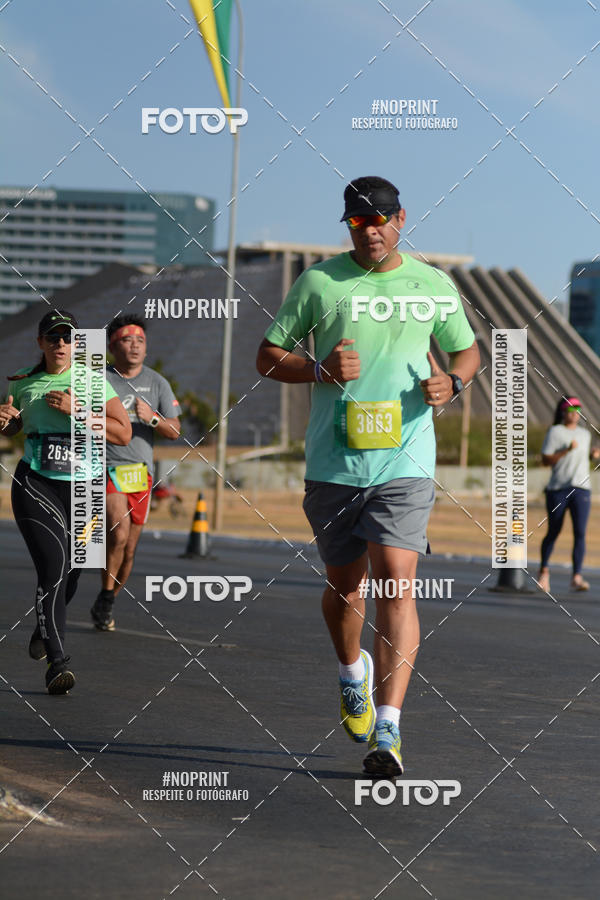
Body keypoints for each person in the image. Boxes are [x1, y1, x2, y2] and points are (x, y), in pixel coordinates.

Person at [256, 176, 480, 776]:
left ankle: (389, 730)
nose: (371, 229)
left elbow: (468, 352)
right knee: (346, 591)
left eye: (380, 218)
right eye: (358, 221)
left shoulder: (432, 284)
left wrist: (452, 382)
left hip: (405, 464)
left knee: (395, 585)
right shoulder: (320, 282)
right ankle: (350, 672)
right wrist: (318, 370)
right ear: (348, 225)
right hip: (334, 464)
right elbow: (268, 355)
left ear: (401, 218)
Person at [0, 310, 131, 694]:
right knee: (54, 569)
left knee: (75, 570)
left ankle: (45, 626)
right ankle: (58, 663)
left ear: (77, 344)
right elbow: (16, 425)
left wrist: (79, 412)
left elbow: (122, 434)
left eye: (68, 338)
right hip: (36, 483)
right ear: (41, 342)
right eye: (53, 338)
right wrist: (7, 422)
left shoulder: (94, 383)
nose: (60, 344)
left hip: (86, 488)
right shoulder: (25, 380)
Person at [91, 315, 181, 631]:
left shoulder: (157, 383)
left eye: (140, 341)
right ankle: (105, 593)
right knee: (118, 532)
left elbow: (174, 431)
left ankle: (109, 598)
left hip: (139, 474)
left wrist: (152, 418)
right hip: (107, 468)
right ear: (113, 346)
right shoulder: (98, 379)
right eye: (128, 340)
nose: (135, 346)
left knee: (129, 548)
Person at [537, 396, 600, 593]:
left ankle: (576, 577)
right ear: (564, 412)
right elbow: (546, 461)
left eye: (578, 410)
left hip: (581, 488)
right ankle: (544, 573)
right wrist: (565, 450)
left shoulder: (584, 434)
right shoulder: (555, 432)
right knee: (554, 530)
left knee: (580, 533)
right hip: (558, 489)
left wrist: (592, 455)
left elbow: (581, 459)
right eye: (571, 410)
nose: (575, 414)